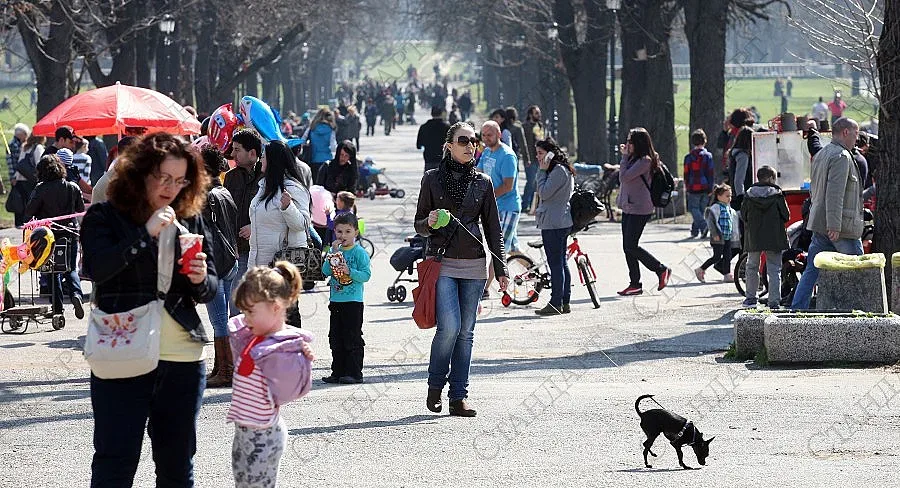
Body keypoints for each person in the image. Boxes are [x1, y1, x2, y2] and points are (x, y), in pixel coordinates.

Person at [81, 132, 216, 486]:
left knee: (177, 467)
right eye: (164, 177)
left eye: (180, 180)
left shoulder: (190, 218)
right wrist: (146, 234)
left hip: (182, 357)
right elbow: (98, 268)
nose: (172, 188)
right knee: (115, 462)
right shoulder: (104, 216)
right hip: (122, 349)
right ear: (140, 173)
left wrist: (201, 278)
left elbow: (211, 287)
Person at [414, 121, 508, 417]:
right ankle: (435, 386)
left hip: (474, 265)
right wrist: (429, 222)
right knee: (450, 328)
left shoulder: (483, 182)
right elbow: (418, 224)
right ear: (449, 146)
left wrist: (501, 268)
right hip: (442, 262)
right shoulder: (431, 179)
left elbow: (494, 229)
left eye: (473, 141)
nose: (470, 146)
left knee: (466, 332)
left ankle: (458, 396)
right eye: (463, 140)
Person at [228, 262, 314, 488]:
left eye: (251, 312)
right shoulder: (255, 336)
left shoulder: (281, 347)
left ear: (275, 307)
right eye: (244, 311)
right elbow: (234, 326)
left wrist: (300, 358)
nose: (245, 318)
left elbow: (290, 390)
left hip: (263, 436)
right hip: (245, 431)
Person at [791, 118, 863, 309]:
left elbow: (815, 190)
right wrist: (834, 225)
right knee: (860, 270)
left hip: (820, 223)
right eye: (855, 133)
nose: (857, 138)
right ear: (846, 132)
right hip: (841, 227)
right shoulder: (841, 156)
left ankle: (797, 309)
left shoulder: (823, 153)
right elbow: (835, 193)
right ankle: (861, 311)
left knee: (811, 270)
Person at [24, 154, 85, 317]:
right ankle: (76, 295)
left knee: (52, 272)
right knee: (70, 268)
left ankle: (57, 309)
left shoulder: (41, 188)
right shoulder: (72, 186)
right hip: (70, 234)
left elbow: (29, 211)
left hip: (48, 237)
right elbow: (80, 209)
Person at [200, 146, 239, 388]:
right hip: (229, 258)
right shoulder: (224, 191)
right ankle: (221, 367)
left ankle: (226, 370)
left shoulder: (206, 195)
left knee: (219, 319)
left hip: (215, 261)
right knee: (222, 318)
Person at [616, 127, 671, 296]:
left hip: (640, 208)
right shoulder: (634, 158)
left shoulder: (645, 161)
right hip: (629, 206)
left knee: (631, 245)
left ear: (638, 143)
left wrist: (624, 157)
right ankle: (635, 284)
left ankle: (660, 269)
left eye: (630, 141)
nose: (627, 144)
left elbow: (624, 177)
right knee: (627, 247)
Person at [321, 212, 371, 384]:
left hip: (353, 302)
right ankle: (338, 371)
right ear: (334, 232)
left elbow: (366, 275)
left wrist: (350, 271)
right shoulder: (335, 251)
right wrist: (333, 253)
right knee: (335, 337)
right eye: (339, 231)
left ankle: (354, 373)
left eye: (348, 231)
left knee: (352, 337)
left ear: (356, 232)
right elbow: (325, 271)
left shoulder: (359, 253)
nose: (343, 236)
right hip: (336, 300)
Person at [249, 140, 312, 269]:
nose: (261, 160)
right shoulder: (263, 186)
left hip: (282, 266)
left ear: (273, 161)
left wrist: (288, 208)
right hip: (258, 263)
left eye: (263, 157)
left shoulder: (293, 188)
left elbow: (303, 225)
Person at [533, 138, 574, 316]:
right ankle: (564, 301)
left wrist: (542, 171)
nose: (538, 157)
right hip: (558, 221)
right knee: (561, 262)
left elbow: (543, 193)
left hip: (554, 223)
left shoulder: (558, 171)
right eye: (537, 153)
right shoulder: (560, 170)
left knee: (556, 264)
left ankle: (556, 302)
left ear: (550, 154)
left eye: (541, 153)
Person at [740, 165, 790, 308]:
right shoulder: (778, 195)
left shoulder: (749, 195)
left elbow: (744, 215)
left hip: (754, 237)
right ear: (771, 178)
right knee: (774, 269)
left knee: (752, 267)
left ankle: (751, 298)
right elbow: (786, 216)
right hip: (774, 237)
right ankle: (774, 302)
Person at [478, 121, 522, 255]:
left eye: (489, 135)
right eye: (483, 135)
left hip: (508, 208)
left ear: (499, 134)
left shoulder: (507, 156)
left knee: (498, 251)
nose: (486, 138)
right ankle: (532, 268)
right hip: (495, 207)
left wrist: (487, 199)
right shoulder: (486, 152)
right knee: (513, 250)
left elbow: (507, 186)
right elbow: (478, 173)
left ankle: (490, 273)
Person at [225, 129, 263, 282]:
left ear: (252, 153)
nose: (232, 154)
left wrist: (255, 226)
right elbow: (226, 212)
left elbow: (276, 211)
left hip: (262, 249)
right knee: (236, 292)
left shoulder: (267, 177)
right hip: (237, 249)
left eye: (237, 150)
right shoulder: (230, 177)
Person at [694, 184, 739, 283]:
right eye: (727, 196)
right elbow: (711, 222)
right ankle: (701, 269)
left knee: (727, 256)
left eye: (730, 196)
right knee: (717, 257)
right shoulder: (715, 208)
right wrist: (714, 234)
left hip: (727, 237)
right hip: (718, 237)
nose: (729, 198)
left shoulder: (728, 208)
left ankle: (727, 275)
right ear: (719, 196)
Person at [684, 129, 715, 239]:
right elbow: (710, 173)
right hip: (705, 186)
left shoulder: (688, 157)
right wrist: (711, 187)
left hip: (693, 186)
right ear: (705, 141)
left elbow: (686, 174)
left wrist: (687, 186)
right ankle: (695, 230)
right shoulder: (708, 156)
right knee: (701, 210)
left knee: (694, 209)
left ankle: (703, 226)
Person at [13, 134, 45, 227]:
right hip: (31, 180)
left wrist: (15, 177)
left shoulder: (25, 146)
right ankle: (29, 223)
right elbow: (39, 163)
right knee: (31, 203)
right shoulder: (38, 147)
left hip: (20, 178)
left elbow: (20, 162)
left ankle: (19, 223)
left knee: (20, 202)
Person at [300, 108, 337, 181]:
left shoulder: (311, 128)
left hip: (313, 159)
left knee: (315, 183)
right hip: (327, 160)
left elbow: (302, 141)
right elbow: (333, 147)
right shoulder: (331, 130)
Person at [521, 105, 544, 213]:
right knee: (531, 182)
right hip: (530, 159)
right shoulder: (525, 126)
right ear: (530, 114)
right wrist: (526, 158)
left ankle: (532, 205)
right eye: (536, 113)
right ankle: (524, 205)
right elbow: (523, 144)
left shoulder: (540, 125)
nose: (539, 115)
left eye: (539, 113)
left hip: (539, 159)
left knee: (536, 184)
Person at [416, 106, 451, 173]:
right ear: (441, 114)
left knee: (429, 177)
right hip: (442, 157)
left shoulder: (424, 127)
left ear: (431, 114)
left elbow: (418, 145)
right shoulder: (447, 127)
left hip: (429, 157)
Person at [728, 126, 754, 211]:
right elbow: (739, 179)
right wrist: (741, 197)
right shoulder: (743, 156)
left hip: (734, 194)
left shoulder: (734, 153)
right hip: (741, 196)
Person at [6, 123, 30, 194]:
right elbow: (11, 163)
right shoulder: (13, 145)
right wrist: (13, 177)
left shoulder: (21, 143)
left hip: (23, 175)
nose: (26, 136)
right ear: (20, 134)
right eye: (25, 134)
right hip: (16, 177)